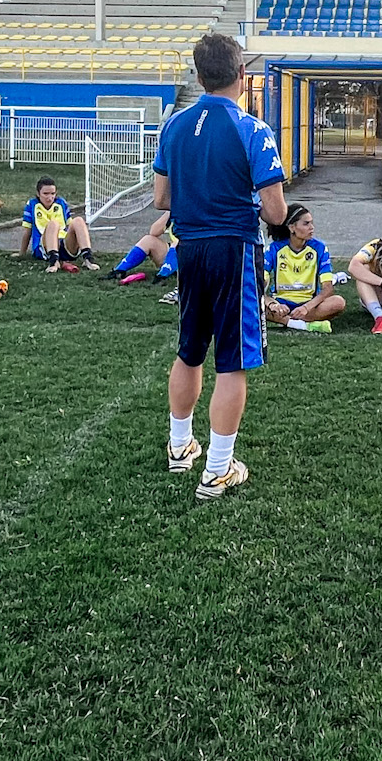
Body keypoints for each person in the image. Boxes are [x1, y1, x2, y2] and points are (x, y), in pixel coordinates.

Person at [153, 32, 287, 500]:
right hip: (235, 251)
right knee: (232, 361)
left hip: (189, 248)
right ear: (242, 76)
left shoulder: (174, 125)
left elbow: (160, 198)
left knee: (189, 349)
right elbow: (275, 212)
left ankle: (179, 446)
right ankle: (217, 468)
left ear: (198, 75)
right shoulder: (253, 130)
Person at [263, 204, 343, 333]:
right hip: (281, 303)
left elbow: (327, 289)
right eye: (306, 224)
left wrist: (306, 307)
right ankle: (304, 325)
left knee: (338, 302)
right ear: (292, 227)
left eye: (312, 223)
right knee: (249, 303)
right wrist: (272, 304)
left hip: (309, 304)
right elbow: (258, 284)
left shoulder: (319, 248)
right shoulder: (275, 248)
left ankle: (284, 321)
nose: (312, 228)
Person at [19, 176, 96, 273]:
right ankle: (53, 261)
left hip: (64, 244)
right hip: (44, 246)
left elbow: (70, 226)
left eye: (52, 194)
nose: (49, 197)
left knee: (78, 220)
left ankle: (88, 258)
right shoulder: (32, 204)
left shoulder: (61, 203)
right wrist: (22, 253)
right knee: (53, 223)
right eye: (45, 194)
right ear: (38, 194)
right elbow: (27, 232)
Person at [108, 212, 178, 285]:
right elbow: (154, 232)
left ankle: (163, 276)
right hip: (176, 254)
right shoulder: (178, 210)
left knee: (179, 244)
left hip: (188, 252)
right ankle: (119, 271)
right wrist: (170, 212)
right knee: (148, 240)